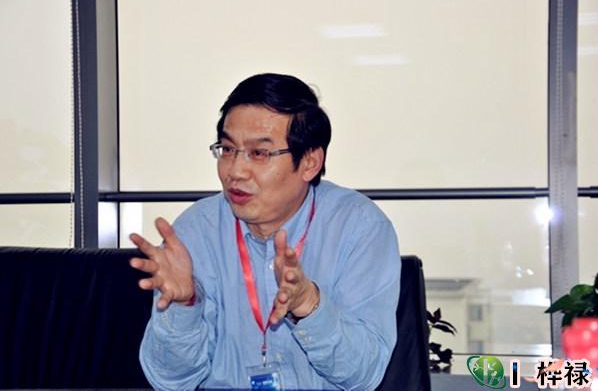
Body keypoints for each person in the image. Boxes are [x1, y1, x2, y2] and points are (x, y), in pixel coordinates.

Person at [129, 73, 401, 390]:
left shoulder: (359, 229)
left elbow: (363, 376)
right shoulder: (194, 232)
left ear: (310, 162)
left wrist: (308, 306)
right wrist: (184, 306)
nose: (235, 171)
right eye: (227, 149)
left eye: (259, 153)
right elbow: (170, 381)